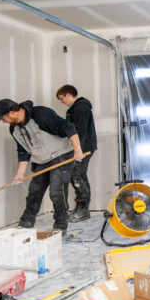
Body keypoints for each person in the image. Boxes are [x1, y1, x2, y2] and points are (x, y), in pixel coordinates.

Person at [0, 98, 83, 231]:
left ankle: (60, 225)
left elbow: (68, 127)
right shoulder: (14, 129)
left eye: (3, 118)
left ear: (11, 112)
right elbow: (23, 150)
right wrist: (20, 173)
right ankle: (26, 222)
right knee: (34, 191)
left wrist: (77, 150)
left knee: (56, 192)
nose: (3, 121)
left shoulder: (40, 115)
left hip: (61, 155)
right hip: (40, 160)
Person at [55, 84, 97, 221]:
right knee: (80, 175)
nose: (62, 102)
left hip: (84, 149)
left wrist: (78, 151)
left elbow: (81, 131)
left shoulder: (80, 108)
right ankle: (81, 208)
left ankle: (83, 209)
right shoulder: (76, 108)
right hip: (83, 148)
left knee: (76, 175)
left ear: (68, 94)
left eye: (62, 99)